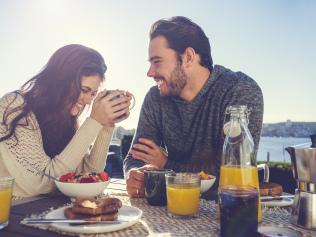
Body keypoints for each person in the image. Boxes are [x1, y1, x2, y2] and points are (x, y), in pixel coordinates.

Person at [123, 16, 263, 198]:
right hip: (168, 209)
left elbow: (232, 174)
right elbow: (136, 157)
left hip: (223, 212)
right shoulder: (155, 98)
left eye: (157, 62)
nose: (150, 72)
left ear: (188, 57)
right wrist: (134, 174)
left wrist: (166, 164)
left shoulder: (239, 91)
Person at [0, 44, 132, 197]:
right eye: (84, 90)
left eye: (93, 94)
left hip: (49, 213)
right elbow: (42, 182)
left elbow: (88, 174)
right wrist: (94, 121)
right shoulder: (14, 106)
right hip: (11, 214)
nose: (88, 101)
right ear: (59, 81)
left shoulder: (64, 119)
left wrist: (106, 124)